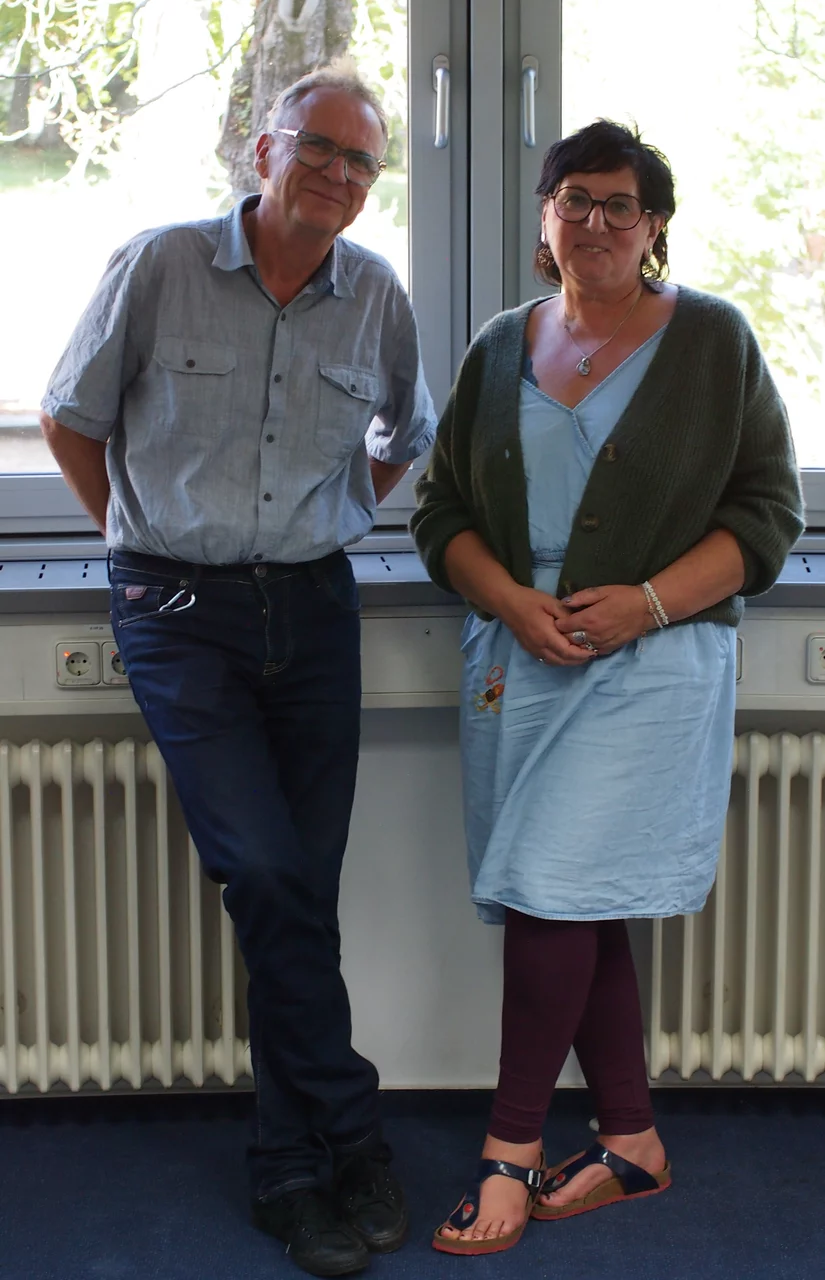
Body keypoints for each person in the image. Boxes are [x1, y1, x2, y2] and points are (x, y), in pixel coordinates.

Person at [41, 59, 436, 1279]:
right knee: (263, 867)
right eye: (318, 145)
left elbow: (406, 433)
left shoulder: (376, 295)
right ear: (264, 150)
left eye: (361, 160)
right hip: (177, 611)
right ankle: (354, 1130)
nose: (337, 173)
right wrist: (139, 543)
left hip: (315, 609)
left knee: (296, 890)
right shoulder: (161, 265)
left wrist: (333, 511)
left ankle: (289, 1164)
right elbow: (69, 416)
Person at [411, 119, 804, 1257]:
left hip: (654, 659)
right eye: (572, 199)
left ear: (654, 225)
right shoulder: (500, 344)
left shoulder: (713, 341)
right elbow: (441, 511)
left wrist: (647, 603)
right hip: (519, 656)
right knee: (578, 901)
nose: (594, 221)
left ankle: (510, 1149)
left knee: (551, 891)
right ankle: (630, 1138)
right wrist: (509, 601)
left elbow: (766, 514)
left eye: (618, 203)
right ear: (545, 217)